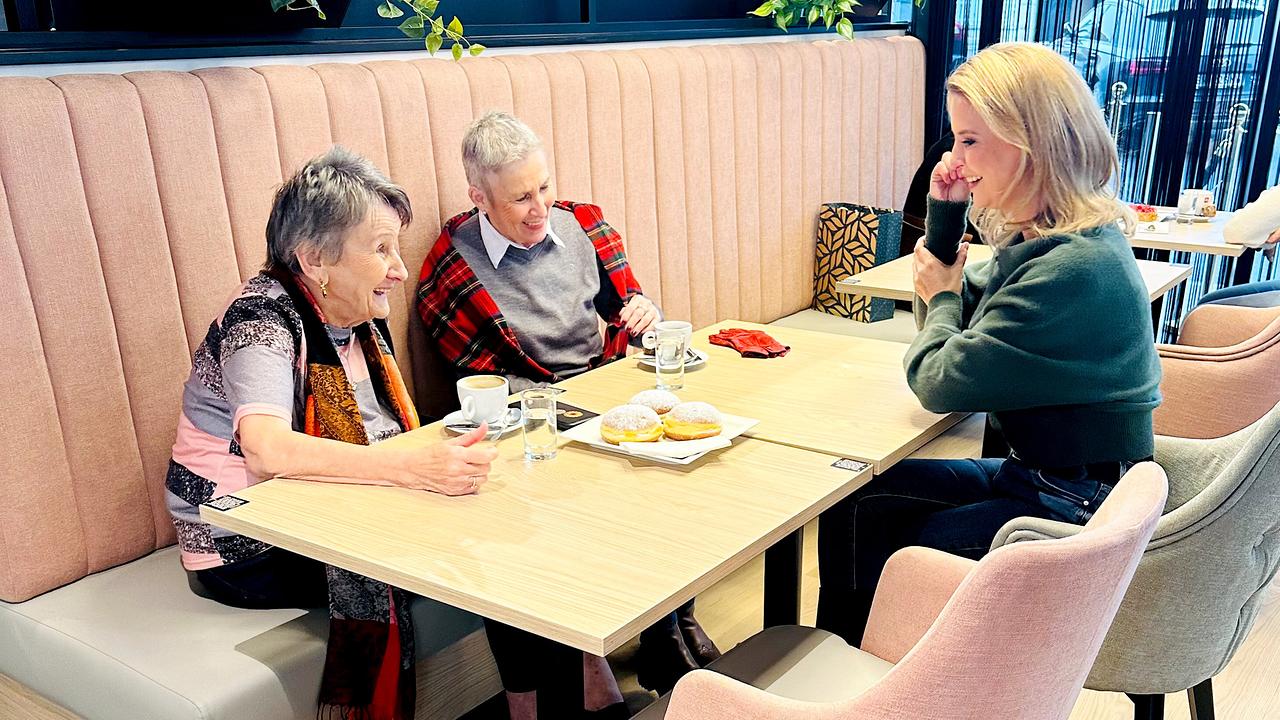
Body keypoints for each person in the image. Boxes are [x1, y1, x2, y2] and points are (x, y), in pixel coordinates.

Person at [815, 42, 1162, 645]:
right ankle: (855, 664)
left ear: (1033, 142)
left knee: (909, 556)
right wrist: (946, 222)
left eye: (971, 140)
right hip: (1048, 474)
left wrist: (943, 294)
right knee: (857, 506)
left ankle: (901, 676)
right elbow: (969, 295)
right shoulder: (1063, 240)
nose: (954, 158)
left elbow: (939, 380)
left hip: (1073, 499)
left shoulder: (1071, 271)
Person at [166, 146, 498, 720]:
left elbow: (385, 432)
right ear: (315, 259)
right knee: (478, 556)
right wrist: (411, 469)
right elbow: (266, 451)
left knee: (506, 527)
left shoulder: (355, 317)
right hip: (240, 543)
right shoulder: (260, 319)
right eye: (381, 250)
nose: (399, 268)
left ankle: (541, 700)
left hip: (324, 509)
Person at [416, 111, 718, 715]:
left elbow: (628, 309)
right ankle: (575, 677)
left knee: (681, 478)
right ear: (479, 197)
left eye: (544, 187)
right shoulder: (452, 264)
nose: (539, 209)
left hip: (602, 388)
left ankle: (660, 632)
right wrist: (548, 407)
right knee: (534, 517)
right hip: (524, 415)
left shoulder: (582, 225)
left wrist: (642, 312)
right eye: (520, 197)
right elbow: (474, 377)